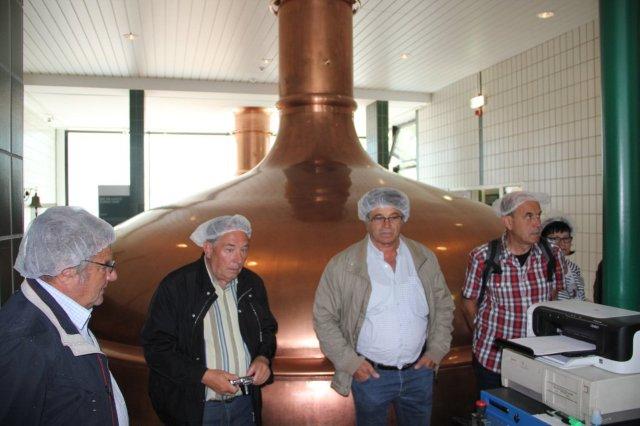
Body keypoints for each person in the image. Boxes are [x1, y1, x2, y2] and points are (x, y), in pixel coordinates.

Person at [313, 187, 455, 426]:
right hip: (371, 377)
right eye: (378, 217)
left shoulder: (424, 258)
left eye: (394, 217)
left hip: (419, 373)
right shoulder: (343, 265)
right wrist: (351, 363)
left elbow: (443, 306)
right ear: (366, 221)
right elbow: (324, 318)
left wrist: (436, 351)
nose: (387, 224)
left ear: (403, 219)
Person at [141, 215, 277, 426]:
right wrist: (203, 375)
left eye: (244, 250)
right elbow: (156, 348)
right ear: (208, 248)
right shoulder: (178, 286)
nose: (239, 259)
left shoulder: (252, 284)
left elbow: (267, 330)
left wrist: (263, 358)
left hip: (244, 404)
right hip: (198, 408)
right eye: (230, 249)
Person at [0, 206, 128, 425]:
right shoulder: (25, 342)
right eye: (106, 266)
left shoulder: (62, 312)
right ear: (67, 270)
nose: (113, 276)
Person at [462, 191, 565, 393]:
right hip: (493, 359)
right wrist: (484, 331)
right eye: (529, 216)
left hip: (537, 359)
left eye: (538, 216)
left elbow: (554, 294)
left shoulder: (552, 254)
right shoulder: (483, 256)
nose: (538, 223)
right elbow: (468, 303)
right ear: (508, 222)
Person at [541, 215, 585, 301]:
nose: (561, 243)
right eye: (554, 239)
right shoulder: (541, 269)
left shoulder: (574, 267)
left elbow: (580, 295)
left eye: (565, 238)